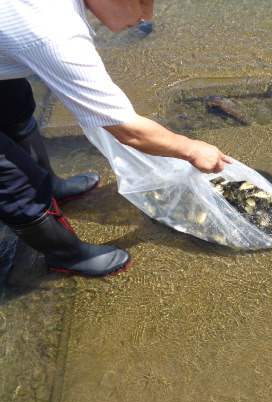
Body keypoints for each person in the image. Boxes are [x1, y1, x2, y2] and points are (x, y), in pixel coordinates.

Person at [0, 0, 232, 276]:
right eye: (142, 3)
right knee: (14, 181)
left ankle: (51, 187)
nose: (147, 16)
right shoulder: (52, 32)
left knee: (13, 107)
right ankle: (67, 256)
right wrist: (190, 149)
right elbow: (127, 130)